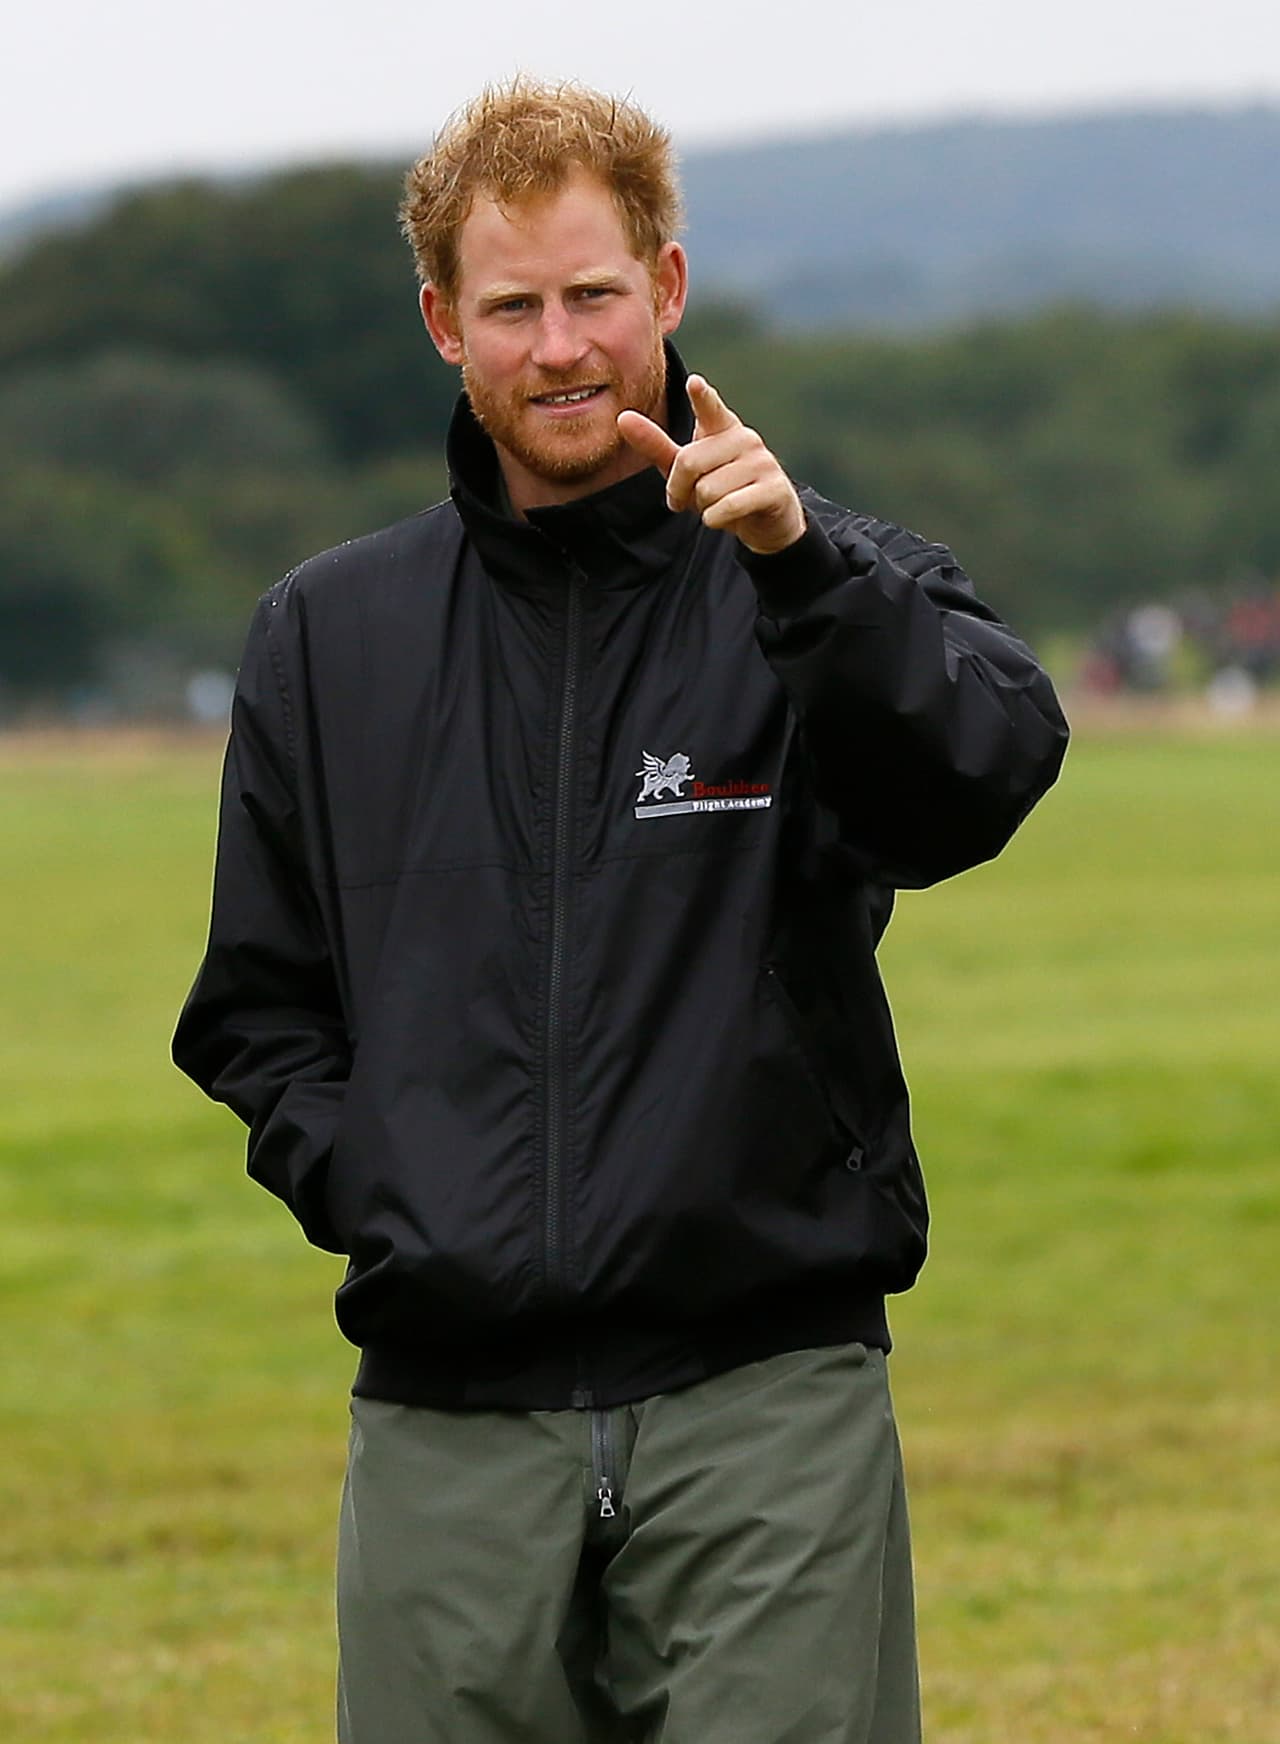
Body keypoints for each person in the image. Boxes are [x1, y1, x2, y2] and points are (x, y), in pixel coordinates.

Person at [173, 77, 1068, 1744]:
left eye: (594, 294)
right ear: (445, 323)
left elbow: (982, 778)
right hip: (449, 1421)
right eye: (513, 306)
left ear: (666, 287)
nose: (561, 344)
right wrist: (392, 1190)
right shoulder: (326, 634)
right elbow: (255, 1012)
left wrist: (803, 578)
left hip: (767, 1399)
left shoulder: (818, 574)